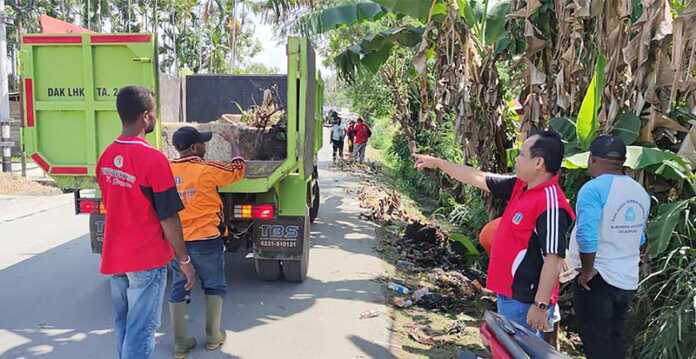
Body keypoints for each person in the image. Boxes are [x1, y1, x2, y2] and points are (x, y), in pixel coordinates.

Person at [414, 129, 575, 336]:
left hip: (526, 301)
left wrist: (540, 305)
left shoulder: (551, 203)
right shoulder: (520, 186)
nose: (516, 159)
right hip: (509, 295)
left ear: (538, 163)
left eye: (522, 154)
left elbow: (554, 258)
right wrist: (437, 163)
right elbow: (477, 177)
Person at [96, 85, 195, 359]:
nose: (153, 117)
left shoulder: (105, 158)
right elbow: (168, 217)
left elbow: (114, 205)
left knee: (125, 328)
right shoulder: (153, 159)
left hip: (116, 257)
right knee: (141, 332)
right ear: (145, 117)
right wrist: (184, 261)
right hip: (145, 260)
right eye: (152, 112)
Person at [567, 135, 650, 359]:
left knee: (596, 343)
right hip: (627, 279)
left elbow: (587, 235)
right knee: (615, 339)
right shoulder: (639, 192)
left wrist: (586, 271)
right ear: (622, 161)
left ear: (592, 159)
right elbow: (640, 238)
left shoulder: (592, 189)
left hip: (598, 278)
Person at [168, 126, 246, 358]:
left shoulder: (166, 169)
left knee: (178, 287)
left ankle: (180, 345)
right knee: (214, 285)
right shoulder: (206, 169)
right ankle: (213, 337)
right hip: (207, 241)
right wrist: (233, 142)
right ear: (194, 147)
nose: (205, 145)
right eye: (202, 143)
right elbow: (238, 169)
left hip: (178, 243)